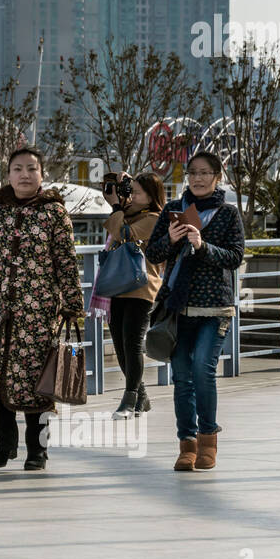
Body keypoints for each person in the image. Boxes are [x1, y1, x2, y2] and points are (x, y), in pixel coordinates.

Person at [0, 148, 83, 470]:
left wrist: (71, 303)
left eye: (31, 169)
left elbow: (66, 262)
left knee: (36, 384)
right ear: (9, 174)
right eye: (17, 169)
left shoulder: (55, 213)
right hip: (0, 310)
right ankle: (5, 444)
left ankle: (37, 451)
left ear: (42, 174)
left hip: (39, 313)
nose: (24, 175)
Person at [144, 151, 245, 472]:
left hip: (215, 305)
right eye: (193, 172)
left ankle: (208, 439)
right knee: (183, 377)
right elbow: (152, 252)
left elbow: (235, 256)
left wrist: (203, 247)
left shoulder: (228, 213)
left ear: (217, 176)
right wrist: (172, 240)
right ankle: (186, 444)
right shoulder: (174, 209)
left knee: (203, 369)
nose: (198, 179)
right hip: (177, 307)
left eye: (205, 173)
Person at [101, 171, 167, 418]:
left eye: (137, 191)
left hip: (141, 288)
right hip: (119, 287)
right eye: (132, 190)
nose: (132, 195)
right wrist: (119, 195)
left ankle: (129, 400)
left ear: (151, 196)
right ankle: (142, 397)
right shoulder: (129, 213)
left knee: (132, 344)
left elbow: (122, 235)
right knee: (119, 345)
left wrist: (117, 206)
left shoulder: (153, 218)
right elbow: (114, 228)